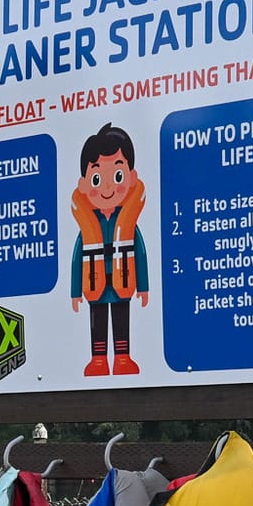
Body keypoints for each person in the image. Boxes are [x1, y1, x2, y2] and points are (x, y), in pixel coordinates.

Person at [68, 123, 150, 376]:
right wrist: (75, 292)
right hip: (94, 284)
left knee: (122, 318)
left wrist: (144, 287)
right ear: (83, 184)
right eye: (96, 179)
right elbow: (77, 258)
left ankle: (123, 358)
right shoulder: (87, 226)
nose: (106, 188)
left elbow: (140, 253)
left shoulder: (127, 223)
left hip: (123, 280)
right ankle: (99, 359)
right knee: (98, 320)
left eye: (117, 177)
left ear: (131, 177)